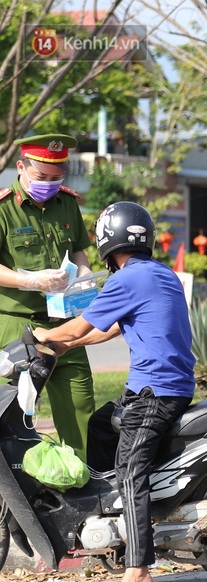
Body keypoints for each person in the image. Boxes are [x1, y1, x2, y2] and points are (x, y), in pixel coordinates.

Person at [34, 202, 195, 582]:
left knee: (129, 471)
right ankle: (114, 516)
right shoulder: (159, 273)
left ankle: (138, 567)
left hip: (155, 392)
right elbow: (111, 328)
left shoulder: (127, 280)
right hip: (161, 386)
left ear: (107, 242)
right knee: (101, 426)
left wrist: (42, 336)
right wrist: (65, 347)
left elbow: (77, 326)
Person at [0, 134, 95, 460]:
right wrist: (29, 280)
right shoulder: (2, 209)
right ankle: (18, 495)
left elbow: (79, 252)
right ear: (21, 167)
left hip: (65, 325)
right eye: (42, 178)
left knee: (80, 406)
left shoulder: (67, 203)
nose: (50, 185)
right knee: (14, 413)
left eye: (57, 178)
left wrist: (84, 274)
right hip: (17, 327)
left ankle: (84, 484)